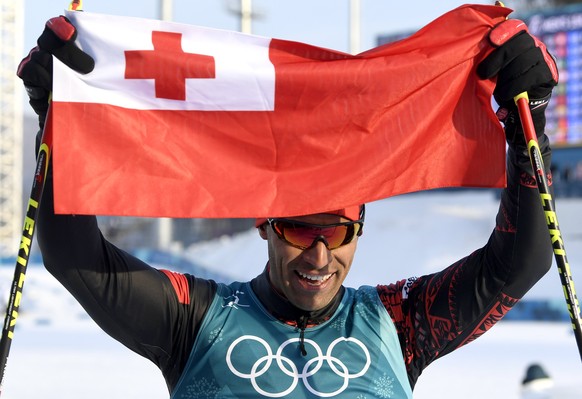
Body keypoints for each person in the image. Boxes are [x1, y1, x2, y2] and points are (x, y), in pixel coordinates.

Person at [17, 13, 558, 398]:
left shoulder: (398, 324)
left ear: (360, 228)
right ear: (266, 225)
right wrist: (63, 122)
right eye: (300, 231)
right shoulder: (195, 320)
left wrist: (525, 116)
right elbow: (74, 255)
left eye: (338, 233)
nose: (319, 257)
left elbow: (520, 262)